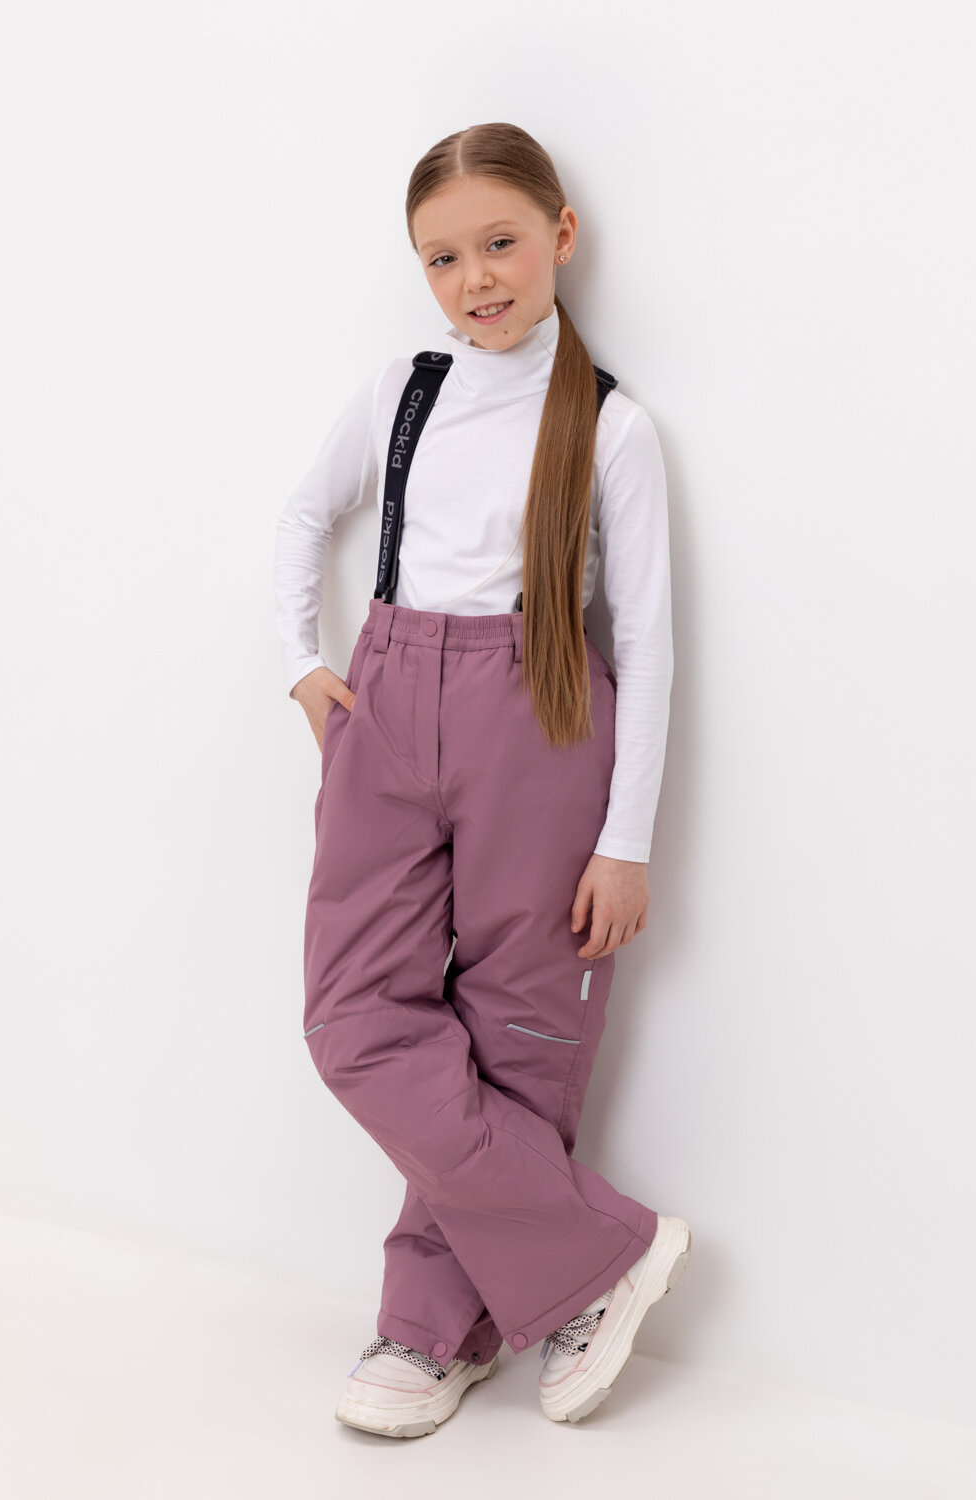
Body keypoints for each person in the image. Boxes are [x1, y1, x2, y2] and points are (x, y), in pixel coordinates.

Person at [273, 122, 691, 1437]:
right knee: (354, 1019)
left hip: (542, 717)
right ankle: (600, 1255)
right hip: (389, 705)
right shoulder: (405, 392)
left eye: (500, 243)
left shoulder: (611, 426)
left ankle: (432, 1328)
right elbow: (304, 515)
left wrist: (626, 841)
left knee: (520, 1034)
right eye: (442, 258)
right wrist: (302, 664)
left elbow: (649, 641)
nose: (476, 280)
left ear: (561, 236)